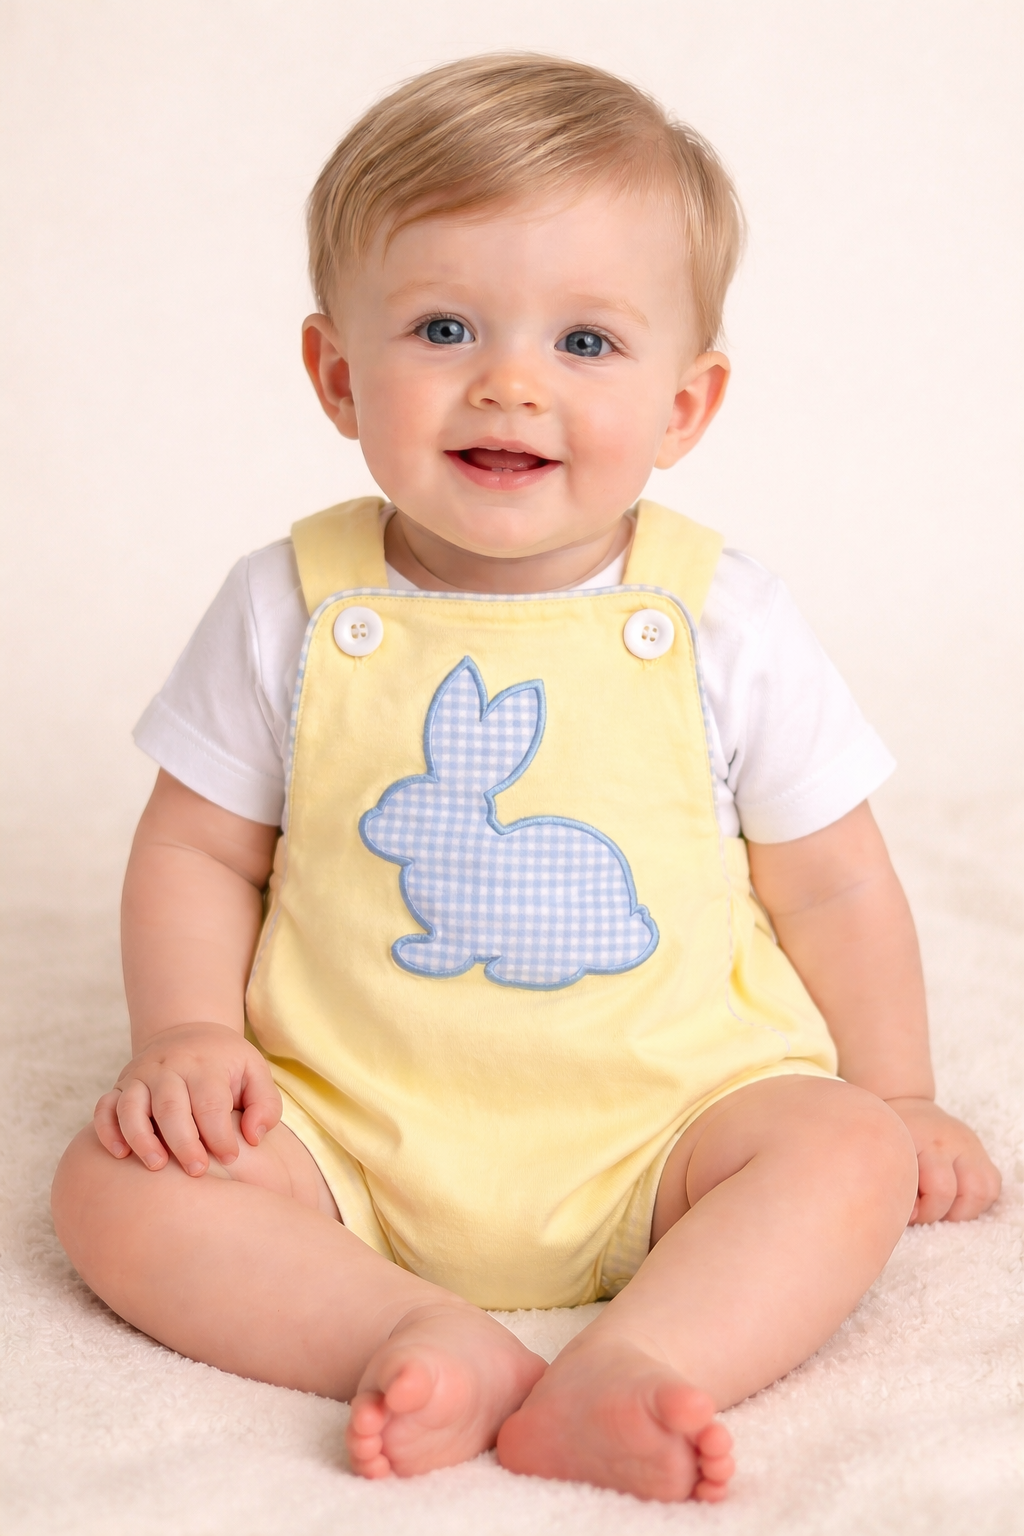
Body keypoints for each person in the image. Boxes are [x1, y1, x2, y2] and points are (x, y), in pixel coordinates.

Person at [51, 54, 1001, 1504]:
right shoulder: (287, 604)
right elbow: (198, 851)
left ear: (685, 405)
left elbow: (835, 881)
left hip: (673, 1118)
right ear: (337, 375)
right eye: (444, 327)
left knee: (845, 1153)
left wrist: (904, 1091)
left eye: (587, 342)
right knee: (113, 1187)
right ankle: (404, 1331)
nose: (510, 381)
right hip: (344, 1121)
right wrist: (186, 1036)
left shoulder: (723, 618)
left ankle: (645, 1354)